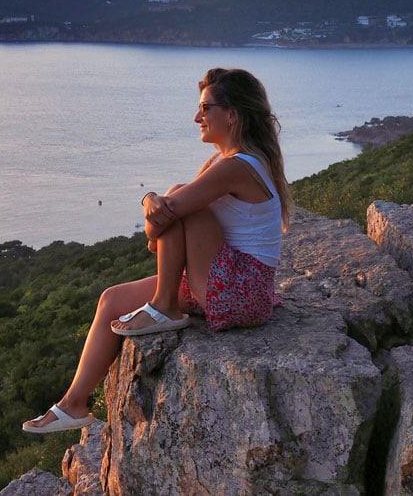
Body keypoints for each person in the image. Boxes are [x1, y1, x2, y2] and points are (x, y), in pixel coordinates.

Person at [23, 68, 293, 433]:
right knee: (111, 300)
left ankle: (164, 306)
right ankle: (73, 404)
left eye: (205, 108)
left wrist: (152, 200)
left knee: (183, 198)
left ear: (231, 115)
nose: (197, 117)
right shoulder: (222, 163)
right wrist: (156, 206)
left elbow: (164, 221)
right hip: (221, 282)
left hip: (239, 291)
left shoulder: (237, 167)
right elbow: (159, 230)